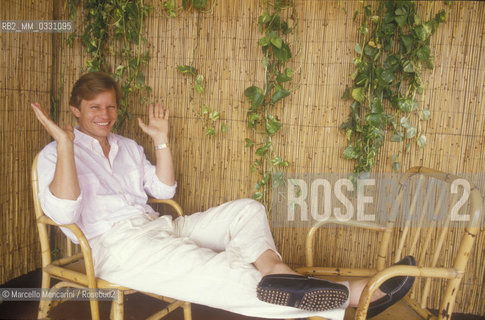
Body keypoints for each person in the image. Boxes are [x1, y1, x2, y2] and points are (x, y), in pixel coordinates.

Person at [32, 72, 415, 319]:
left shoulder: (127, 147)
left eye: (111, 106)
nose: (105, 114)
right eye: (94, 108)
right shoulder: (53, 154)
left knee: (246, 210)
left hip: (161, 225)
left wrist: (161, 141)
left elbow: (164, 190)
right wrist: (66, 145)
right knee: (217, 269)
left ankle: (275, 272)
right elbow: (65, 213)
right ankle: (348, 296)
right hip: (118, 247)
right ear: (75, 111)